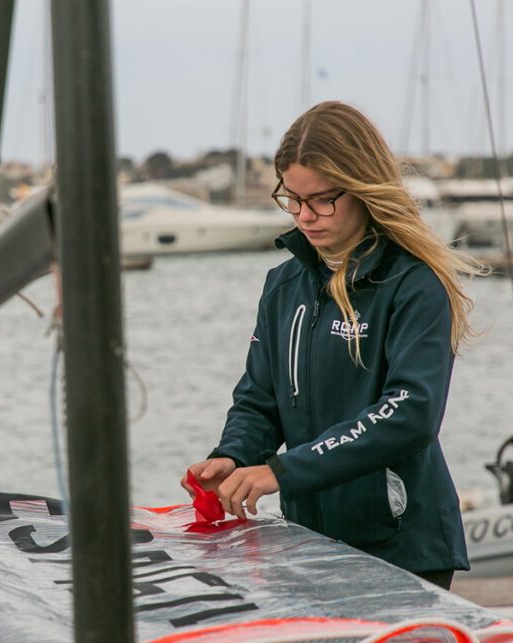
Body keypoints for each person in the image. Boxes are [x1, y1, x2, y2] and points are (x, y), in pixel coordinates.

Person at [181, 101, 488, 590]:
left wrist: (282, 472)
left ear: (363, 187)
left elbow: (411, 413)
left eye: (323, 200)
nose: (305, 216)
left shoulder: (414, 284)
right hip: (310, 546)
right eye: (293, 199)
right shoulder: (283, 285)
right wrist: (234, 457)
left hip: (402, 548)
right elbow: (259, 400)